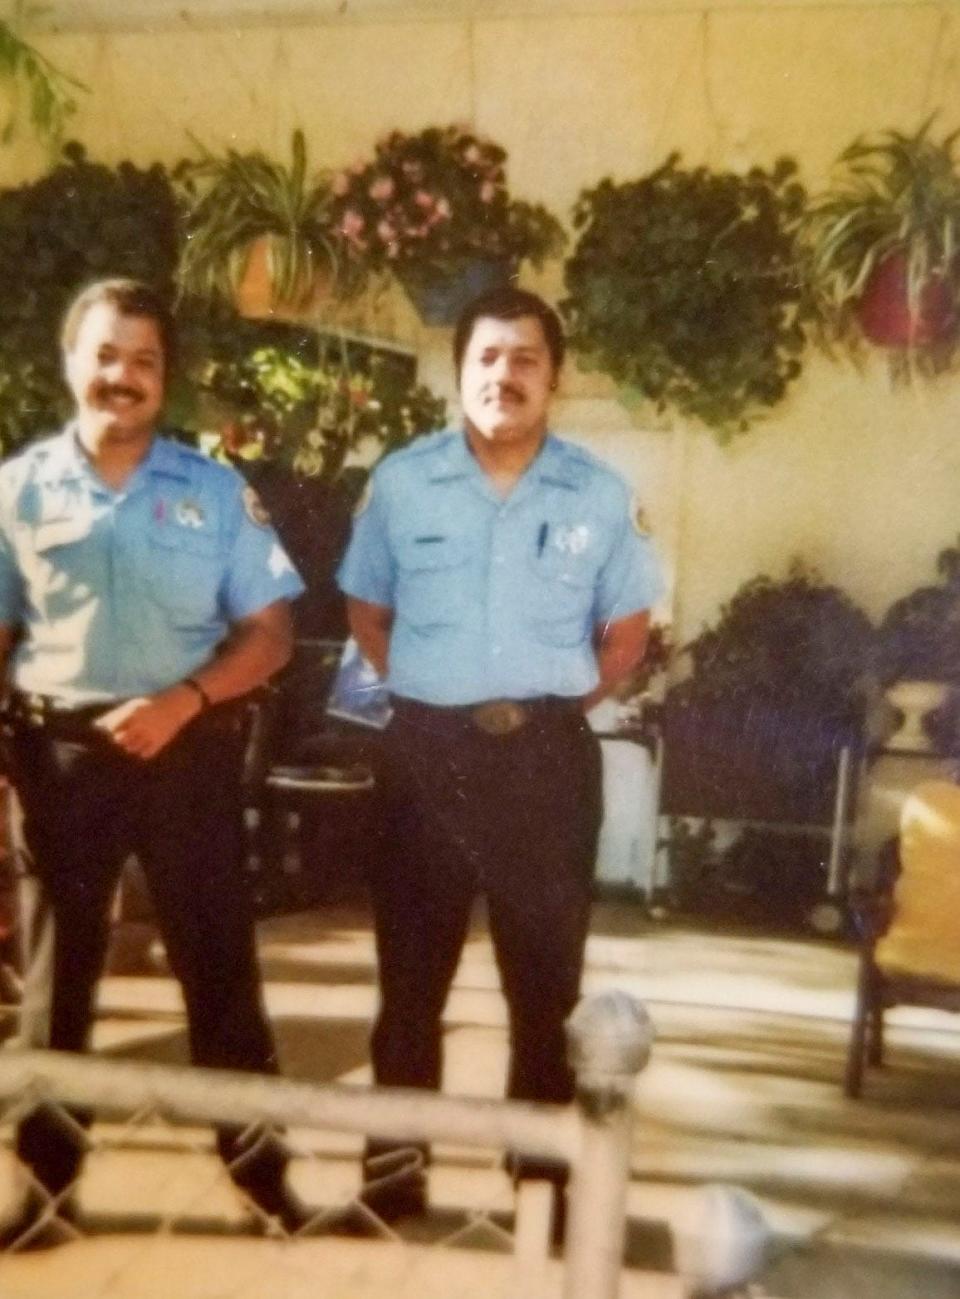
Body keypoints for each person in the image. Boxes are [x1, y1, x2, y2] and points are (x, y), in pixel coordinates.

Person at [337, 286, 661, 1231]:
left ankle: (541, 1191)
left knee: (545, 990)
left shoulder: (599, 493)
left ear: (554, 377)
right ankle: (394, 1179)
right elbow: (367, 611)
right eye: (487, 357)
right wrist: (437, 693)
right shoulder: (401, 482)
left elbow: (627, 632)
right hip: (424, 763)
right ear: (460, 372)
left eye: (524, 358)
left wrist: (547, 703)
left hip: (545, 766)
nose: (504, 375)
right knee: (408, 986)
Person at [0, 278, 310, 1247]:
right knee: (59, 983)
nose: (122, 377)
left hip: (186, 752)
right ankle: (46, 1187)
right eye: (105, 355)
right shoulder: (15, 491)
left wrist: (188, 701)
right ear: (71, 361)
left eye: (143, 361)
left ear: (165, 379)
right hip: (59, 759)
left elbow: (272, 635)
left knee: (221, 971)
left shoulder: (215, 493)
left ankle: (263, 1180)